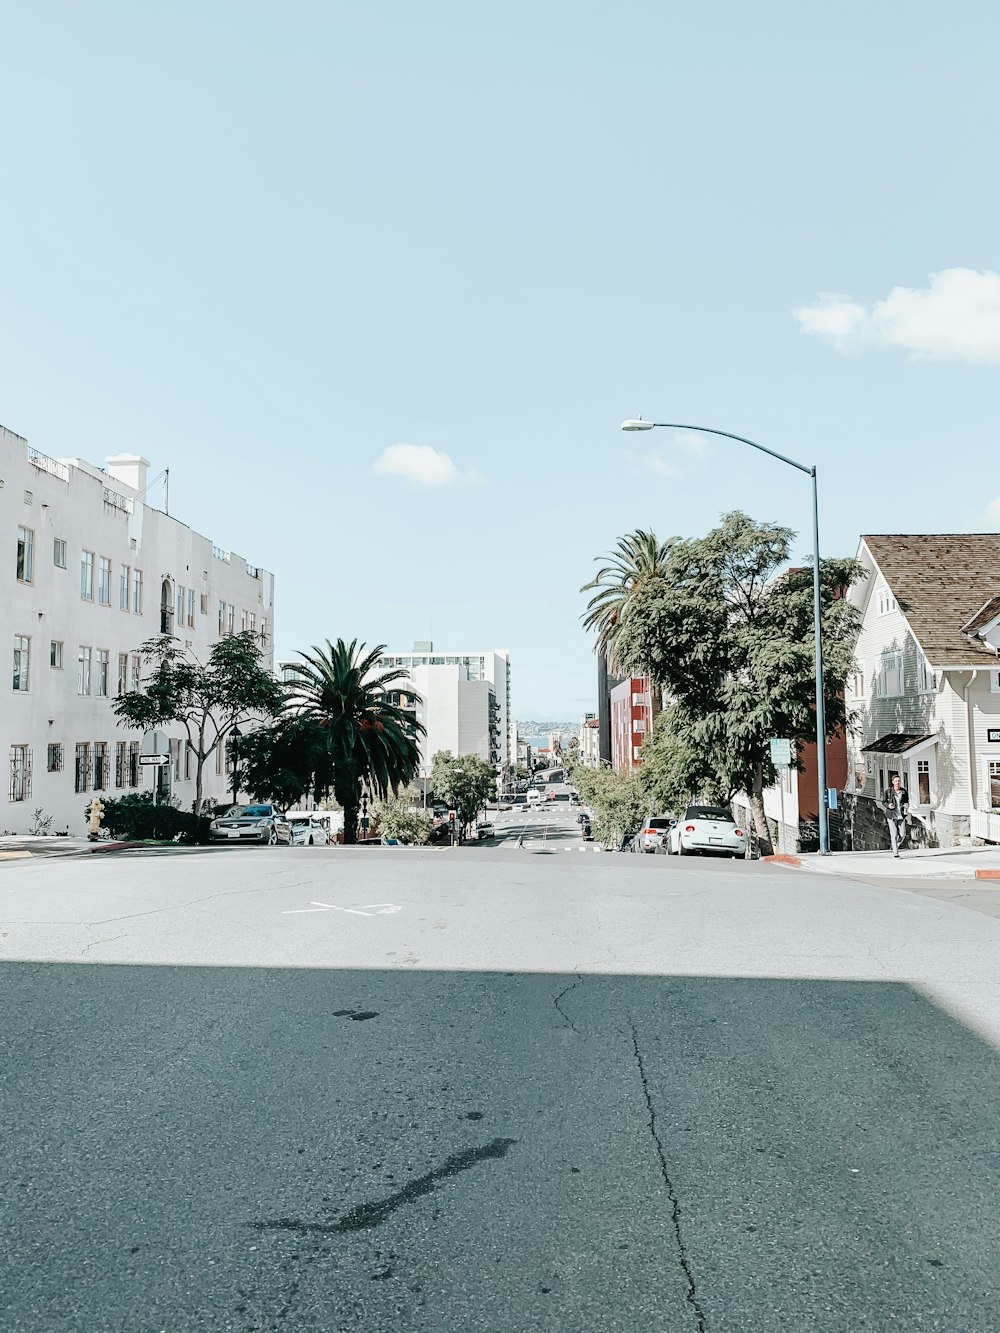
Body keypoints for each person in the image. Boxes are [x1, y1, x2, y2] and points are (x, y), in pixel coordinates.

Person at [883, 774, 910, 857]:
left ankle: (895, 846)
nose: (897, 782)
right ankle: (895, 852)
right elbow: (884, 802)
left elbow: (906, 801)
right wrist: (888, 805)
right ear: (892, 782)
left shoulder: (904, 792)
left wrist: (906, 806)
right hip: (891, 816)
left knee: (902, 834)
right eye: (896, 781)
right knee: (894, 834)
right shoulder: (888, 792)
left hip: (901, 816)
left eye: (899, 781)